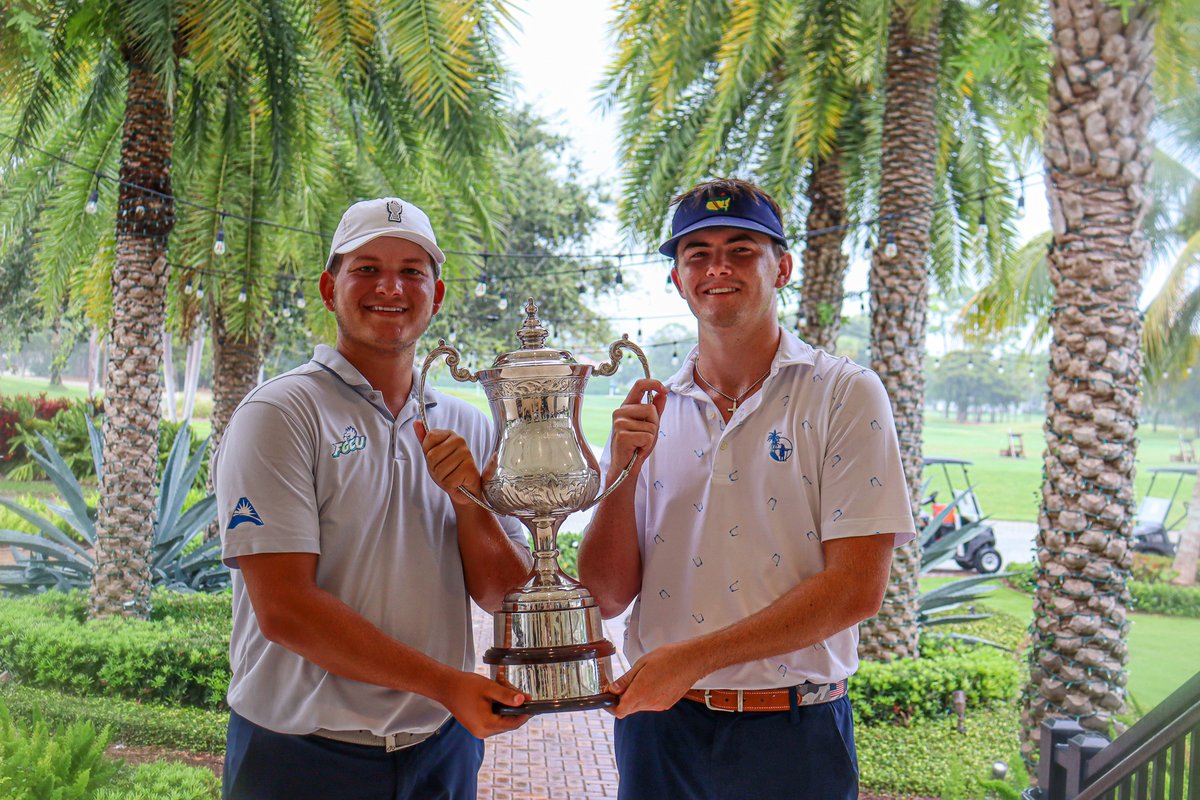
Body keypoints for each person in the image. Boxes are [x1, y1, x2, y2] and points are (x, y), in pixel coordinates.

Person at [577, 178, 916, 800]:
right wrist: (619, 478)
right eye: (697, 254)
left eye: (741, 250)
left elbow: (857, 589)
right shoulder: (650, 411)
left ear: (781, 267)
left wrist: (692, 659)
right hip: (661, 732)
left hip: (793, 735)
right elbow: (604, 593)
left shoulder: (844, 393)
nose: (717, 268)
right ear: (676, 278)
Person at [214, 197, 533, 800]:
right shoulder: (281, 413)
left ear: (436, 295)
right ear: (329, 287)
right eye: (367, 268)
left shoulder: (472, 423)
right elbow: (285, 610)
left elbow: (502, 596)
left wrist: (470, 503)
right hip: (297, 756)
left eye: (412, 270)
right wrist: (446, 684)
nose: (390, 286)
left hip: (438, 749)